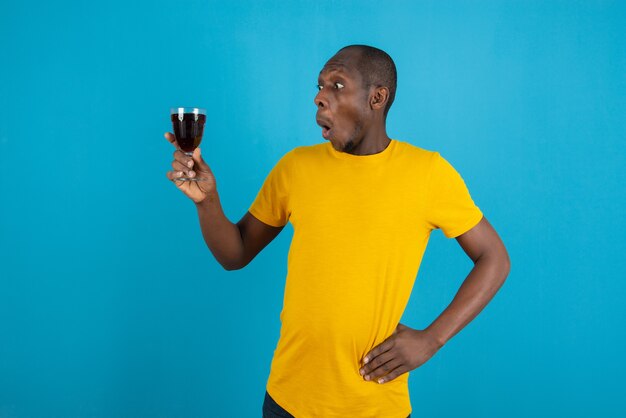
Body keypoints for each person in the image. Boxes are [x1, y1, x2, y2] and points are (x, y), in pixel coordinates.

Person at [165, 45, 510, 418]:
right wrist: (207, 201)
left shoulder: (428, 174)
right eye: (319, 86)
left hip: (374, 405)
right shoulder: (296, 167)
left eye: (337, 84)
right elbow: (235, 253)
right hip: (287, 400)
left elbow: (494, 258)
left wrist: (432, 339)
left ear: (377, 98)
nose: (319, 97)